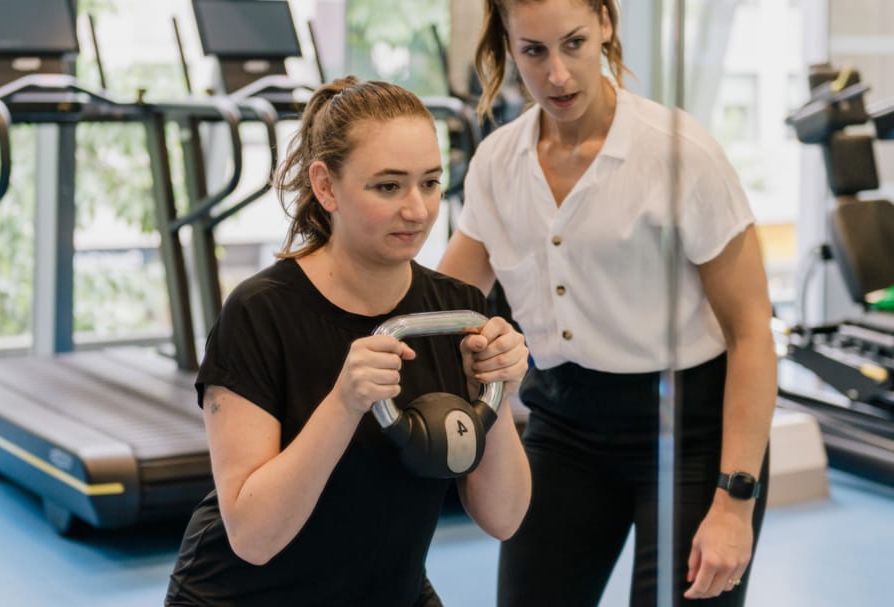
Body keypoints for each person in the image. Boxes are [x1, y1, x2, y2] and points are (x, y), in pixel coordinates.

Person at [437, 1, 777, 605]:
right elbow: (442, 302)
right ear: (509, 47)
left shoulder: (679, 153)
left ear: (606, 24)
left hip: (689, 434)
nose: (558, 75)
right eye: (534, 51)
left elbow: (751, 330)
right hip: (564, 429)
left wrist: (735, 499)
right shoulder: (497, 162)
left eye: (574, 43)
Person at [164, 76, 532, 607]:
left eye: (430, 182)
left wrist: (492, 390)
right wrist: (344, 402)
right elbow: (252, 536)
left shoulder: (455, 312)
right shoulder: (260, 313)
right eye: (388, 186)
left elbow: (504, 518)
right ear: (326, 185)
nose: (418, 210)